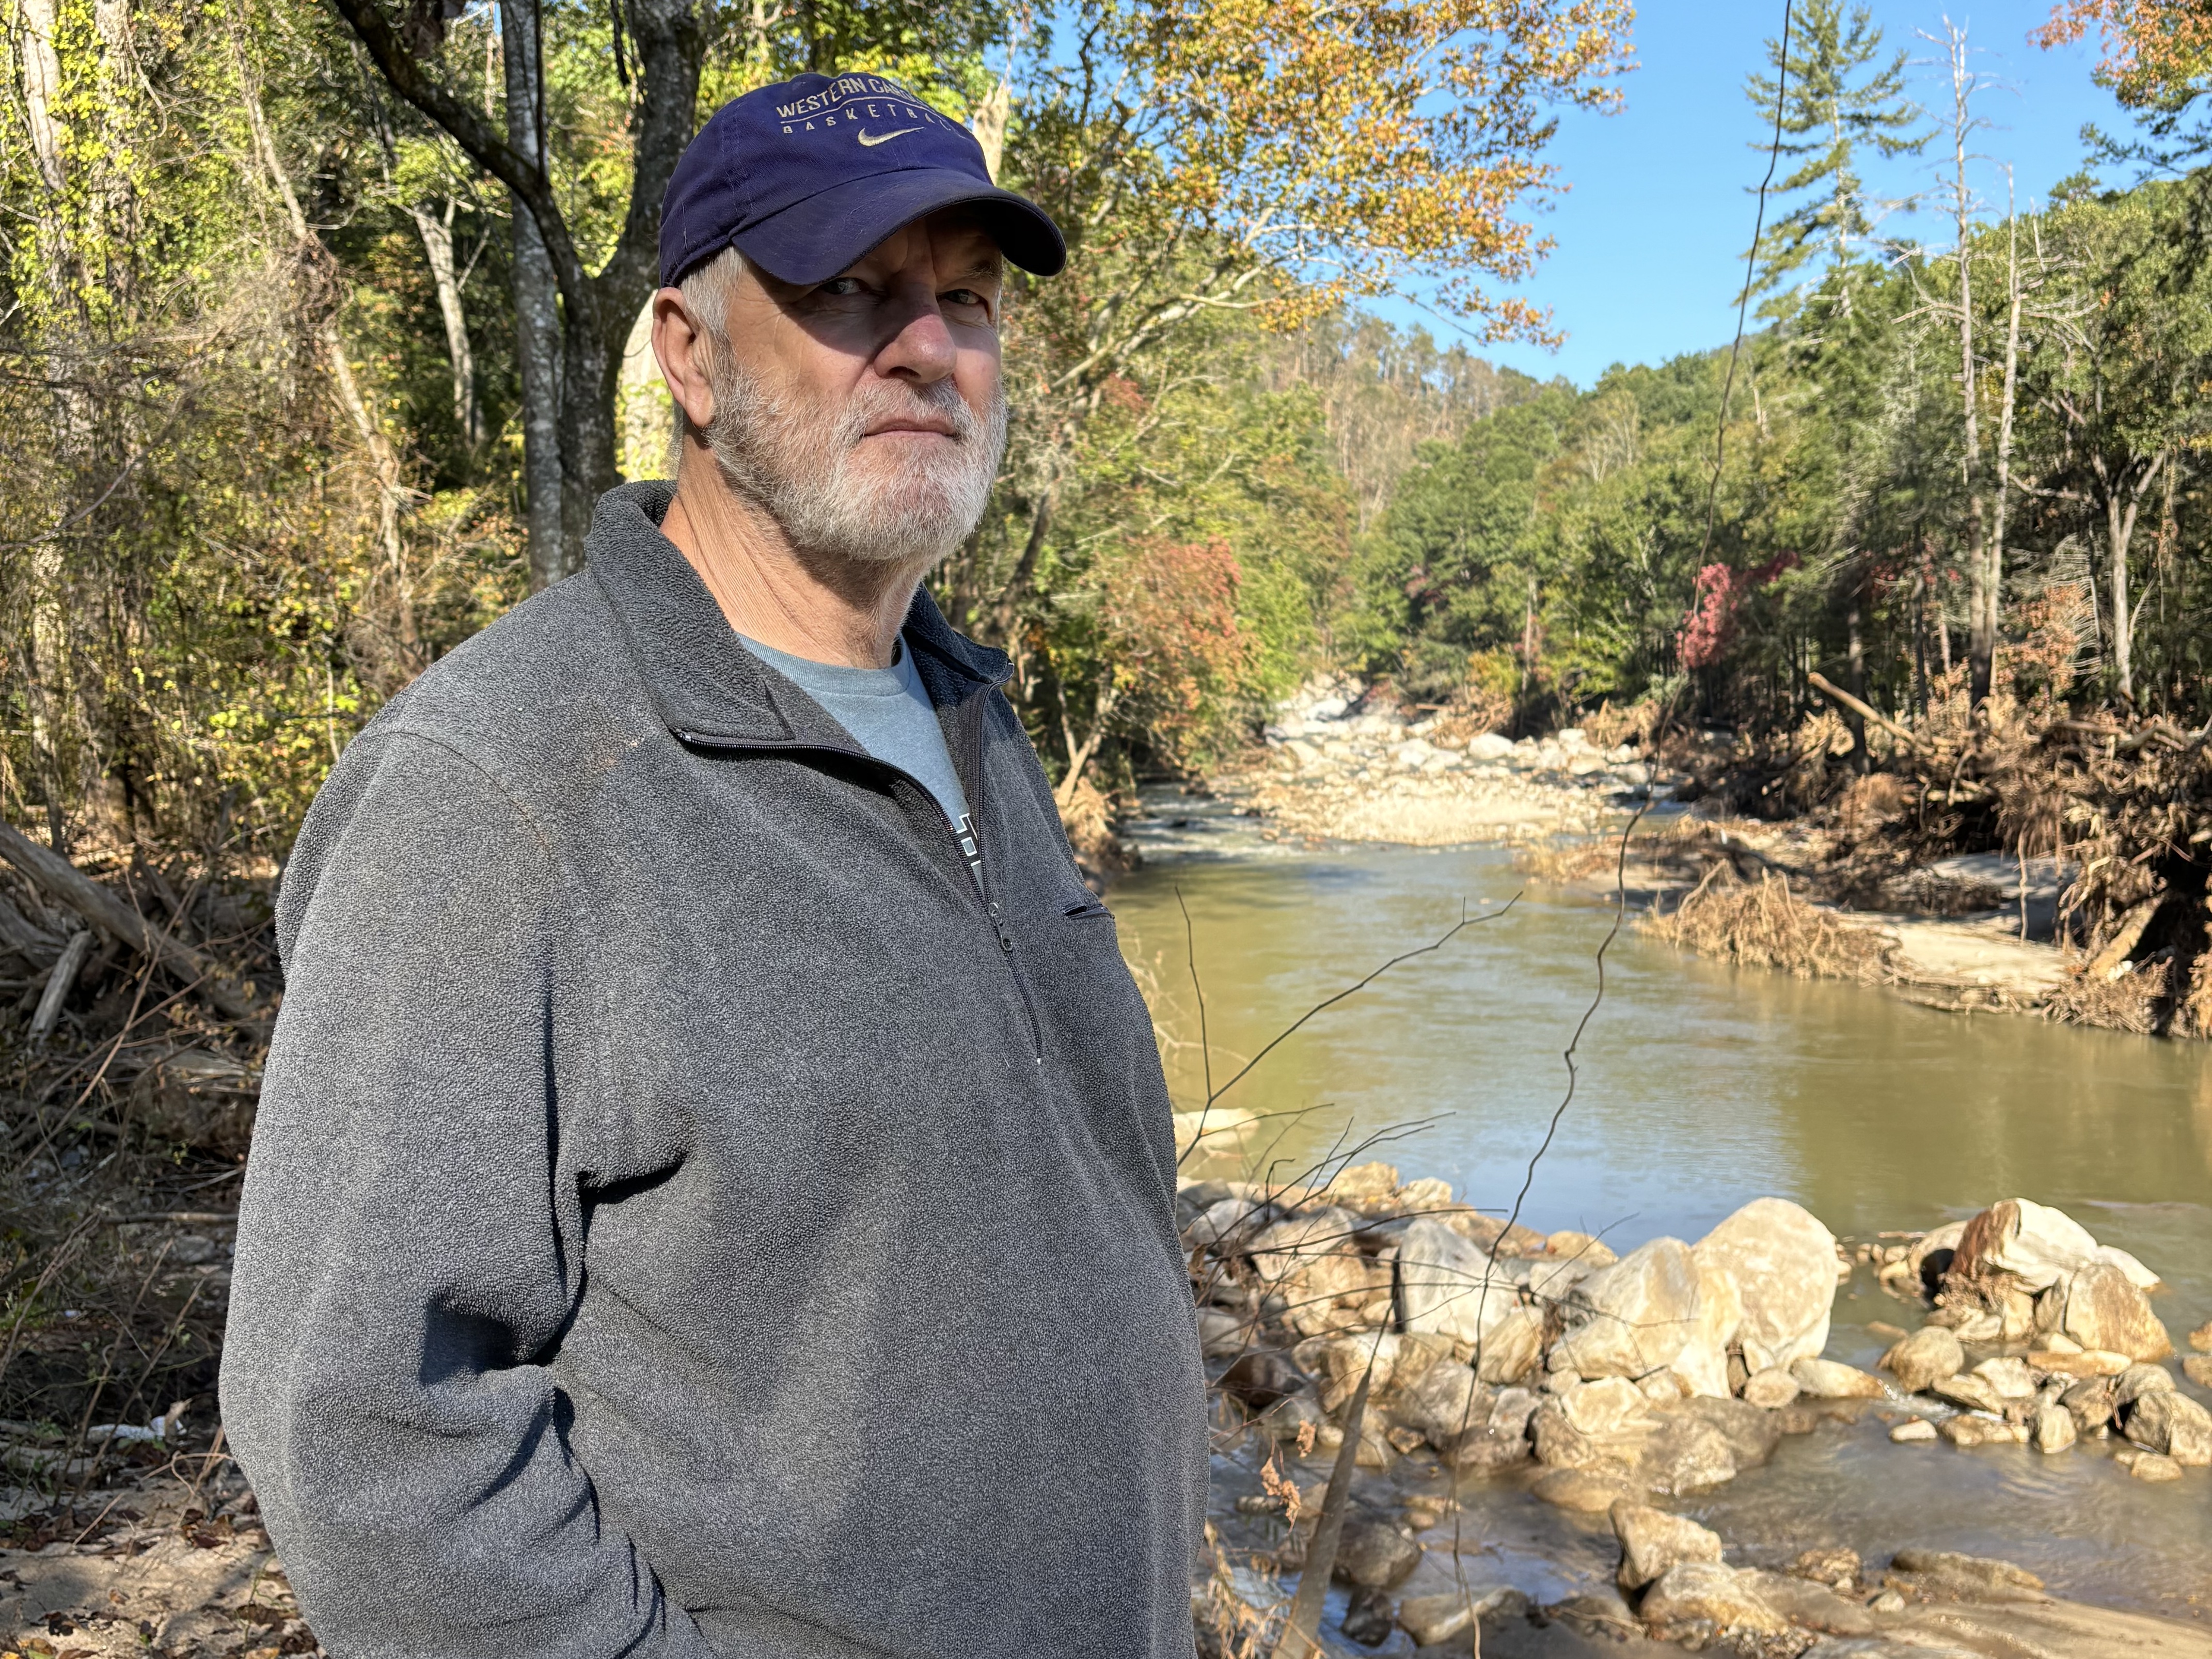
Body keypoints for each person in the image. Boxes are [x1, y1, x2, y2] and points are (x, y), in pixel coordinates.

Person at [220, 72, 1207, 1659]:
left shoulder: (971, 718)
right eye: (848, 288)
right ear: (688, 349)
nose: (926, 345)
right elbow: (364, 1436)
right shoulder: (499, 787)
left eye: (965, 298)